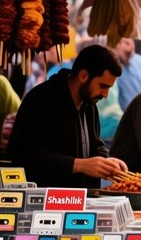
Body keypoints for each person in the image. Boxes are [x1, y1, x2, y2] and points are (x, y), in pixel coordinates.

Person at [8, 44, 127, 188]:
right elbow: (26, 155)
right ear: (84, 76)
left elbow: (95, 144)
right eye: (103, 86)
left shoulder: (90, 105)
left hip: (83, 201)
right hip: (46, 203)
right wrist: (78, 165)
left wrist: (107, 162)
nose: (106, 94)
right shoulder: (41, 99)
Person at [113, 37, 141, 111]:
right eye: (126, 43)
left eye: (131, 42)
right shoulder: (111, 66)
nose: (130, 46)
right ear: (116, 44)